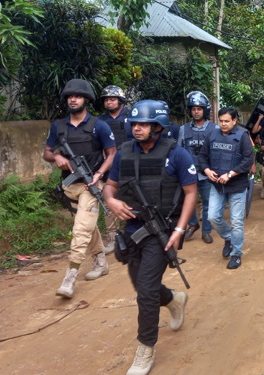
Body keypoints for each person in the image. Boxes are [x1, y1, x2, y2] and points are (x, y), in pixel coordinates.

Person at [103, 100, 197, 375]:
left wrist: (179, 230)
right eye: (134, 124)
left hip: (162, 233)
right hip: (133, 231)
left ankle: (145, 348)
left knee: (144, 290)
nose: (137, 129)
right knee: (141, 284)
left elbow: (191, 193)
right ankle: (173, 299)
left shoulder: (177, 154)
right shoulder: (124, 153)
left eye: (143, 124)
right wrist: (111, 202)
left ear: (158, 127)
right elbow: (111, 186)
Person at [43, 79, 117, 298]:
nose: (73, 99)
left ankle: (70, 277)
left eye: (77, 96)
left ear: (86, 99)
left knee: (80, 229)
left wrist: (99, 174)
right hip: (70, 186)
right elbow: (46, 152)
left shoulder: (99, 126)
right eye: (69, 96)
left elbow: (112, 154)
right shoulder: (59, 126)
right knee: (87, 225)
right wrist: (56, 156)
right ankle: (101, 263)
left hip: (92, 184)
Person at [198, 107, 254, 269]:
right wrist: (207, 170)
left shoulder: (242, 136)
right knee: (212, 217)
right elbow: (202, 156)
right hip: (217, 185)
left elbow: (248, 160)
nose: (223, 124)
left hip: (236, 185)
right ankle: (229, 237)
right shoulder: (212, 135)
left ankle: (236, 254)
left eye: (227, 121)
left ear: (235, 120)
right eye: (221, 121)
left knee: (236, 221)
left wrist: (230, 174)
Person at [177, 91, 217, 244]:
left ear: (204, 110)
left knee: (207, 203)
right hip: (189, 174)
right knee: (189, 201)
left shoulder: (214, 129)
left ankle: (206, 231)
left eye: (199, 109)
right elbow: (178, 150)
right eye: (193, 109)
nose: (196, 112)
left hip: (207, 173)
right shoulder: (183, 129)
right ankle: (193, 224)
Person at [97, 85, 132, 254]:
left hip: (130, 163)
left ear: (120, 100)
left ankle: (136, 233)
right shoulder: (100, 121)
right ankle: (113, 237)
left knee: (135, 198)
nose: (109, 102)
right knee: (109, 200)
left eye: (112, 99)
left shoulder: (131, 117)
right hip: (110, 165)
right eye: (106, 100)